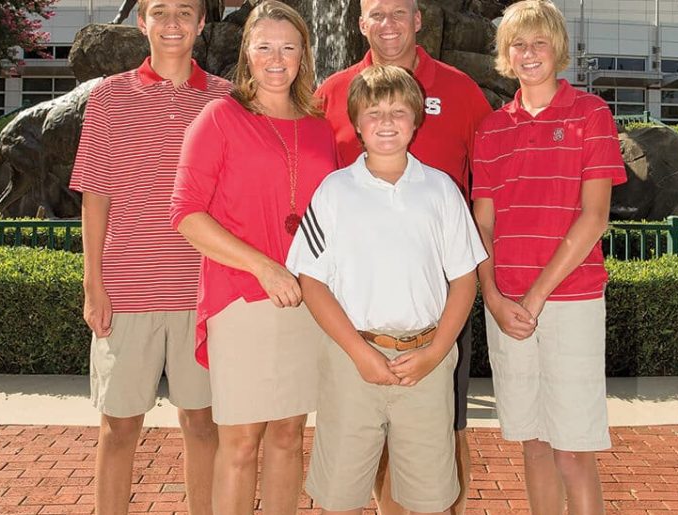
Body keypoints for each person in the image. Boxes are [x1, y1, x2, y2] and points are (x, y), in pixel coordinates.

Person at [315, 2, 492, 512]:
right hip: (356, 309)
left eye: (399, 12)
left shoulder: (462, 90)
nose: (388, 23)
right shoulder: (333, 92)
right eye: (376, 13)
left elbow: (490, 183)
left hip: (436, 304)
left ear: (419, 20)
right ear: (360, 23)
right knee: (363, 439)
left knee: (443, 432)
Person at [169, 2, 337, 514]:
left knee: (288, 436)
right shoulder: (220, 115)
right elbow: (185, 213)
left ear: (304, 54)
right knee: (240, 442)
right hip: (242, 298)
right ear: (247, 52)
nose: (276, 58)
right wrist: (262, 265)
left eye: (288, 47)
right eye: (264, 46)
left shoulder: (319, 126)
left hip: (307, 303)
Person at [69, 0, 230, 512]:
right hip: (128, 288)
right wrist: (93, 284)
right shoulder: (109, 97)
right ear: (142, 22)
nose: (173, 24)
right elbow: (95, 196)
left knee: (202, 423)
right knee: (119, 427)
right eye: (160, 11)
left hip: (203, 291)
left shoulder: (226, 100)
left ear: (202, 23)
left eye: (185, 12)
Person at [471, 1, 627, 514]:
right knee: (533, 445)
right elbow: (484, 223)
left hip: (571, 302)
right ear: (505, 54)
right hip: (508, 307)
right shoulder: (491, 130)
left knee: (573, 450)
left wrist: (535, 296)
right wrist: (492, 296)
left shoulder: (591, 115)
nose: (529, 53)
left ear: (557, 48)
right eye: (518, 43)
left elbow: (594, 216)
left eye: (539, 42)